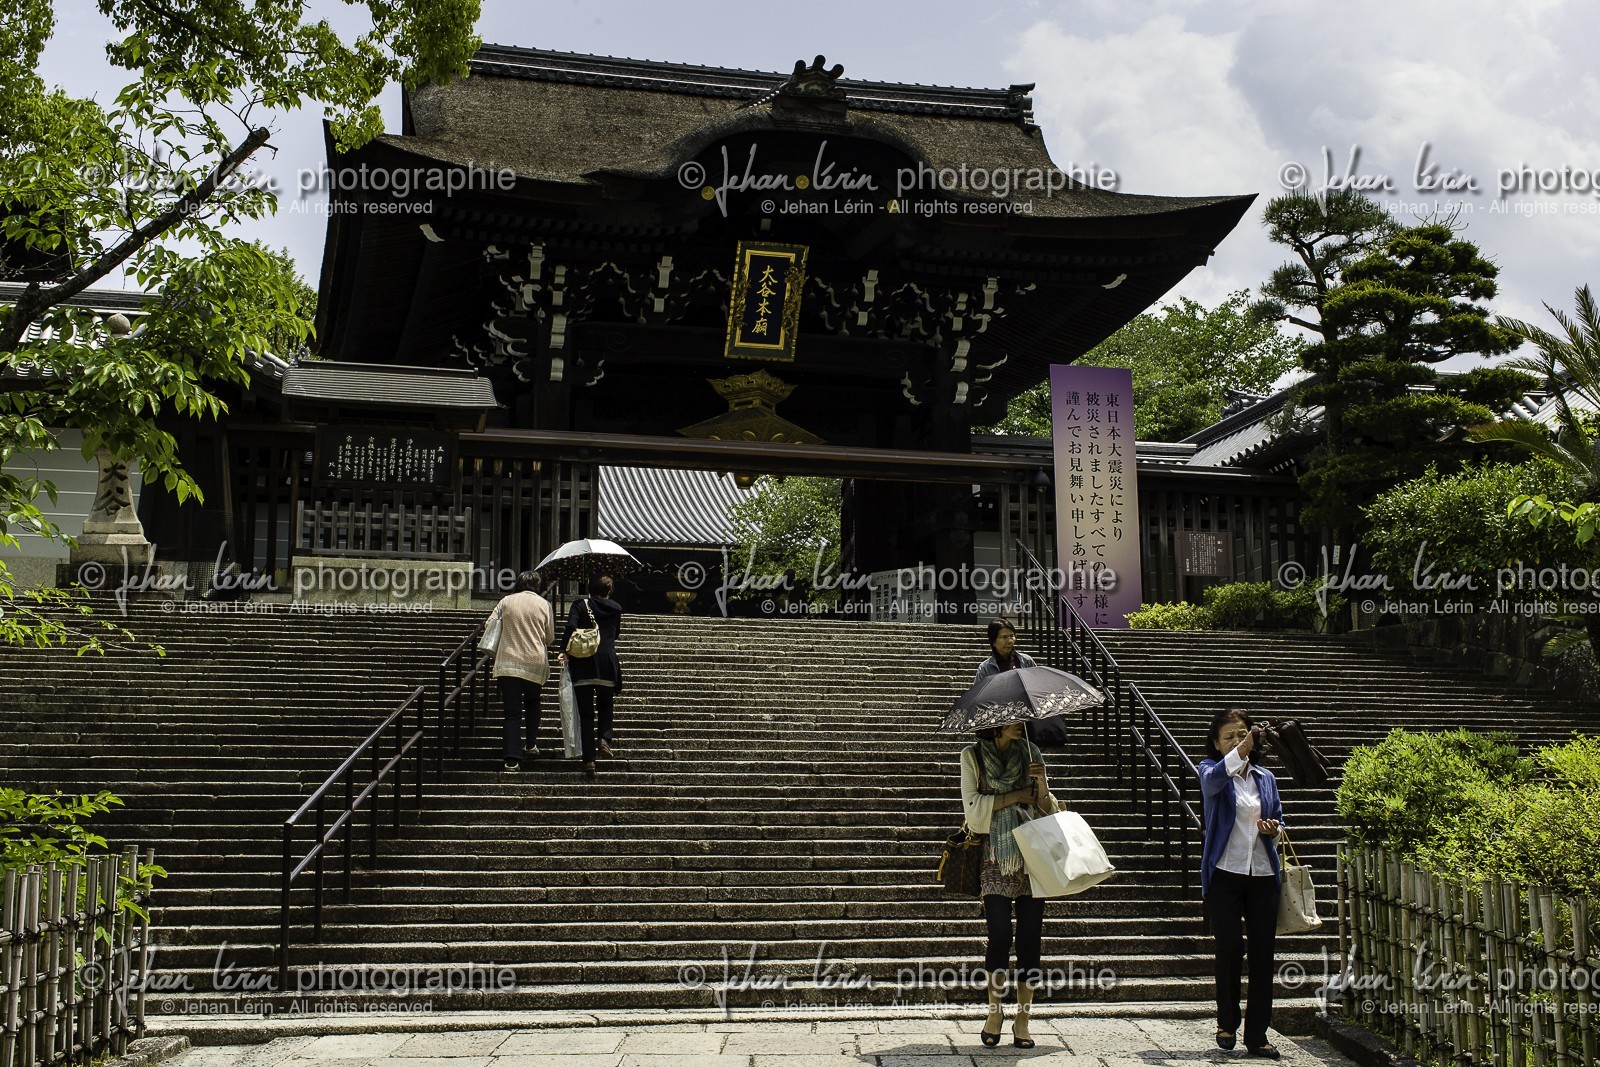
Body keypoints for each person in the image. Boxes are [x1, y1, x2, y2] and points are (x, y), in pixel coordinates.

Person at [959, 719, 1059, 1049]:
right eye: (1014, 719)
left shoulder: (1031, 752)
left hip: (1032, 855)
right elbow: (973, 814)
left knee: (1030, 939)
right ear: (996, 724)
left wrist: (1041, 785)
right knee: (1000, 934)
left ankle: (1023, 1018)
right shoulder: (972, 756)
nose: (1021, 723)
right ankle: (994, 1011)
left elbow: (1048, 809)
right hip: (994, 857)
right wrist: (1015, 794)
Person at [1199, 708, 1285, 1059]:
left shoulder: (1264, 777)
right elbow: (1212, 782)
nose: (1237, 740)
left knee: (1264, 955)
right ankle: (1227, 1022)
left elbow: (1279, 818)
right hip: (1225, 873)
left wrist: (1274, 829)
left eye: (1242, 733)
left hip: (1263, 874)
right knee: (1231, 948)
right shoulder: (1212, 772)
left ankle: (1258, 1035)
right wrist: (1243, 749)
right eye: (1229, 737)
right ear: (1217, 745)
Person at [486, 571, 555, 772]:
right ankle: (531, 744)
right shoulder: (544, 604)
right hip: (534, 662)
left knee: (511, 712)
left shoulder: (506, 601)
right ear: (538, 585)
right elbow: (549, 637)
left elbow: (489, 624)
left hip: (508, 662)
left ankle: (511, 759)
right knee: (533, 702)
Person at [559, 573, 624, 778]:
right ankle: (604, 738)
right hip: (607, 662)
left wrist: (563, 651)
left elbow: (571, 627)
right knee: (606, 704)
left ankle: (589, 760)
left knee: (586, 715)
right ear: (609, 591)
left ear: (589, 588)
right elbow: (615, 635)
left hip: (584, 663)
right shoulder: (616, 608)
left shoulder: (579, 605)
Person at [973, 618, 1036, 685]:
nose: (1009, 641)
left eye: (1012, 636)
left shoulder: (1026, 661)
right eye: (1004, 637)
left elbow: (1037, 684)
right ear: (993, 641)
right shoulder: (985, 668)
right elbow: (978, 693)